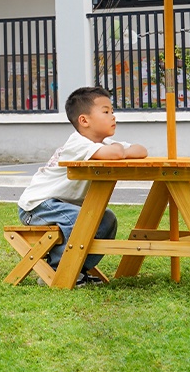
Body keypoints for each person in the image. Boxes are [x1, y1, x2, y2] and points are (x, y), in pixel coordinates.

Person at [17, 86, 148, 286]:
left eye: (112, 111)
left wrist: (118, 149)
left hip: (64, 206)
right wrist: (119, 150)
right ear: (84, 120)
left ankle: (78, 269)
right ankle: (58, 271)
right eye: (106, 111)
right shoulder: (77, 143)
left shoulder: (105, 143)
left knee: (107, 219)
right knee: (79, 219)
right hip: (38, 206)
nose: (113, 116)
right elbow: (116, 154)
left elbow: (142, 150)